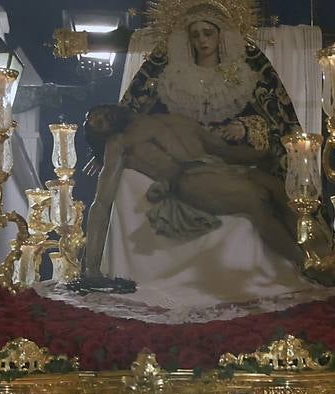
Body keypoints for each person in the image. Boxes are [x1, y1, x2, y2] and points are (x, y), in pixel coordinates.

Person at [82, 105, 305, 275]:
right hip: (191, 181)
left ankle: (320, 257)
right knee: (256, 202)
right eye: (98, 124)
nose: (102, 118)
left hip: (222, 169)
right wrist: (90, 268)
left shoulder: (173, 120)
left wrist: (270, 154)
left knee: (284, 192)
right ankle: (305, 264)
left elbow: (223, 151)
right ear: (103, 137)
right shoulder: (119, 144)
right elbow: (101, 204)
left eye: (99, 113)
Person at [119, 3, 300, 175]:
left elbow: (273, 124)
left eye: (208, 33)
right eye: (195, 35)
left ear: (220, 35)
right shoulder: (173, 80)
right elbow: (147, 120)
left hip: (233, 164)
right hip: (181, 165)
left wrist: (244, 127)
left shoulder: (241, 77)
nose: (202, 40)